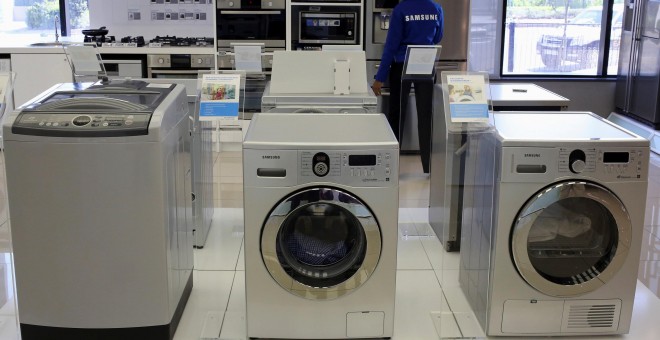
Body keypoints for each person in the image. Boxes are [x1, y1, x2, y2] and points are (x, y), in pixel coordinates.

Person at [371, 0, 443, 174]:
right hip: (425, 63)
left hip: (401, 65)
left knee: (397, 115)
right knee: (426, 116)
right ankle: (427, 167)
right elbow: (438, 37)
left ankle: (392, 167)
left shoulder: (401, 9)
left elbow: (391, 46)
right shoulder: (436, 8)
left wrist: (380, 78)